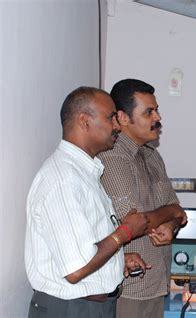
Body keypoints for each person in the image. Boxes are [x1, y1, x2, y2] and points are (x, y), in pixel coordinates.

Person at [25, 87, 151, 318]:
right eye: (110, 117)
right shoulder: (63, 180)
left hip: (90, 307)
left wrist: (115, 261)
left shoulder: (84, 174)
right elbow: (76, 269)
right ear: (84, 121)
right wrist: (125, 232)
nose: (117, 125)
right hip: (71, 309)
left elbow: (86, 245)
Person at [98, 79, 187, 318]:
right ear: (123, 118)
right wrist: (171, 212)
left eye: (156, 110)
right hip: (128, 291)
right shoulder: (113, 157)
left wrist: (171, 224)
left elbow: (178, 211)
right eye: (149, 112)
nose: (158, 117)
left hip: (156, 283)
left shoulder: (153, 156)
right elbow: (134, 221)